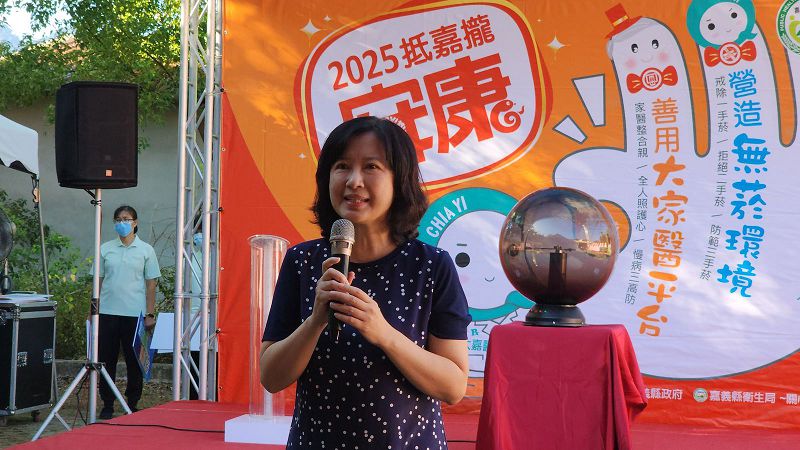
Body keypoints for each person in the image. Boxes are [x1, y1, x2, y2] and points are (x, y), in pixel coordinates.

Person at [260, 116, 471, 449]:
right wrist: (315, 322)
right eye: (342, 166)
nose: (354, 181)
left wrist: (383, 333)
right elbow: (271, 377)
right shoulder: (302, 261)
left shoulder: (431, 266)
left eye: (371, 167)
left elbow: (453, 387)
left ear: (399, 180)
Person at [94, 205, 161, 420]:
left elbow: (151, 284)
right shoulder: (105, 249)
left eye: (126, 219)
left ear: (135, 222)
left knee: (134, 362)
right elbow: (97, 282)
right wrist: (93, 312)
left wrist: (150, 314)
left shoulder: (146, 250)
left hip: (135, 314)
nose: (122, 223)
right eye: (118, 219)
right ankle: (107, 403)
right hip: (107, 313)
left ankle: (132, 403)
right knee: (106, 359)